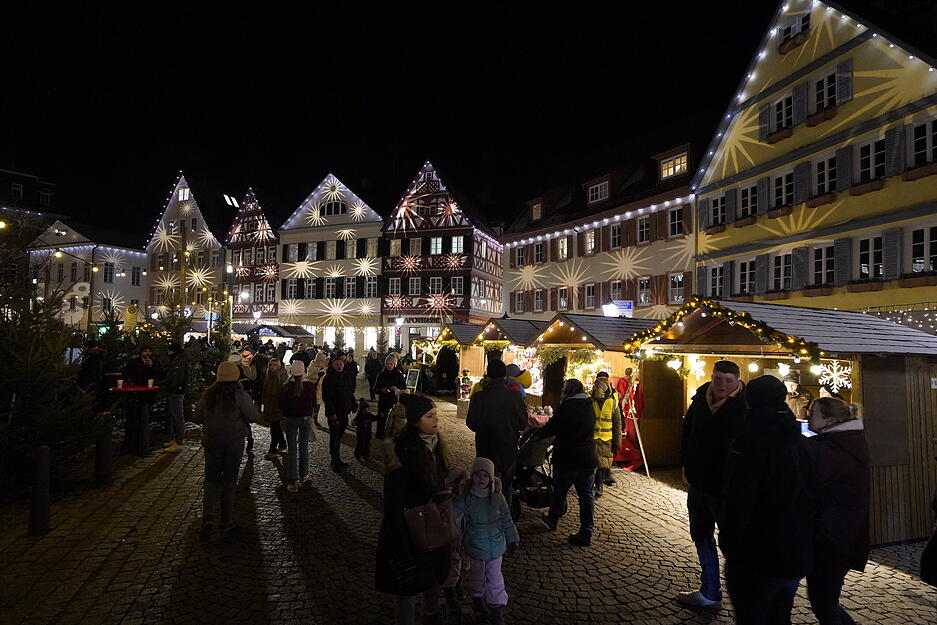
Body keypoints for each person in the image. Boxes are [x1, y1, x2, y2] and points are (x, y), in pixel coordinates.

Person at [721, 375, 817, 624]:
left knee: (752, 616)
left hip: (756, 552)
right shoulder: (801, 442)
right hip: (794, 548)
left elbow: (739, 499)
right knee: (780, 616)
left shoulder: (748, 442)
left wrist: (730, 544)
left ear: (749, 401)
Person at [375, 395, 452, 625]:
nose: (436, 419)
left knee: (432, 575)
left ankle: (431, 614)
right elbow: (393, 499)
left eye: (435, 414)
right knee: (407, 584)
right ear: (415, 421)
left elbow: (436, 481)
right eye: (430, 416)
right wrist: (399, 541)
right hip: (408, 526)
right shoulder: (400, 450)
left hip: (433, 522)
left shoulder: (436, 444)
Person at [676, 360, 747, 608]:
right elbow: (687, 431)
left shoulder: (745, 406)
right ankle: (710, 591)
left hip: (727, 489)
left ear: (737, 381)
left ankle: (744, 596)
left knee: (732, 542)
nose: (722, 385)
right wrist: (685, 463)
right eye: (718, 378)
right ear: (712, 377)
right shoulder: (699, 399)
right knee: (702, 536)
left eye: (728, 380)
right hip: (699, 483)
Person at [805, 398, 870, 625]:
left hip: (831, 538)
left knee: (824, 604)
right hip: (844, 535)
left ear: (830, 420)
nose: (807, 414)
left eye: (813, 412)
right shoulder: (850, 442)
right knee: (825, 602)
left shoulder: (830, 449)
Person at [453, 457, 519, 625]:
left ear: (491, 478)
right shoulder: (467, 499)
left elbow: (506, 519)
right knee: (477, 576)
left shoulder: (498, 498)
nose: (481, 479)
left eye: (485, 475)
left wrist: (512, 539)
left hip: (496, 548)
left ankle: (497, 610)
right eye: (477, 475)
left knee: (495, 578)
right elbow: (455, 516)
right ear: (472, 477)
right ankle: (477, 601)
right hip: (476, 547)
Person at [197, 361, 257, 541]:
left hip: (212, 441)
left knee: (211, 479)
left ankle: (207, 516)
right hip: (233, 441)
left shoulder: (208, 395)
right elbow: (252, 416)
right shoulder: (239, 394)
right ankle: (226, 521)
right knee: (229, 480)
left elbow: (197, 416)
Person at [536, 378, 597, 546]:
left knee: (560, 490)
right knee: (586, 496)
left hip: (568, 457)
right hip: (588, 458)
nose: (562, 392)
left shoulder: (568, 406)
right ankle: (586, 532)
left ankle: (553, 519)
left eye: (564, 389)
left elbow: (552, 427)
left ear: (569, 391)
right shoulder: (588, 405)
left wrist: (540, 434)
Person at [466, 359, 527, 511]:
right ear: (505, 375)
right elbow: (523, 423)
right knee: (505, 487)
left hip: (486, 449)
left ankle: (486, 516)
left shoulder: (479, 397)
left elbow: (471, 423)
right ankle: (504, 515)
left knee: (485, 486)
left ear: (488, 375)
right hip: (509, 450)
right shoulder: (514, 397)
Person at [279, 360, 316, 492]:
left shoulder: (286, 387)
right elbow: (314, 402)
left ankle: (293, 479)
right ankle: (304, 474)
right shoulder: (310, 386)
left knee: (292, 449)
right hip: (305, 419)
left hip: (290, 419)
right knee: (304, 447)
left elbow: (281, 404)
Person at [322, 355, 356, 473]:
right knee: (334, 437)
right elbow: (327, 397)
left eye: (341, 364)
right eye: (336, 364)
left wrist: (353, 404)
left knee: (339, 436)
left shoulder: (346, 376)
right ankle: (335, 461)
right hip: (334, 413)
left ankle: (336, 458)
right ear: (332, 365)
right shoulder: (328, 378)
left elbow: (349, 392)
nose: (339, 366)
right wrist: (331, 413)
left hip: (344, 412)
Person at [590, 378, 621, 498]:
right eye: (596, 387)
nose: (597, 389)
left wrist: (617, 441)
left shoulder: (612, 403)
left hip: (606, 440)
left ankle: (598, 486)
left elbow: (617, 423)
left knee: (601, 465)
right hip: (592, 438)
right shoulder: (591, 401)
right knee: (595, 464)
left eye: (600, 387)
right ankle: (596, 486)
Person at [163, 343, 191, 453]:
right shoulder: (179, 360)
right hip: (176, 390)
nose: (168, 353)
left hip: (176, 391)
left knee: (178, 415)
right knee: (174, 415)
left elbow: (178, 378)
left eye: (169, 351)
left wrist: (172, 387)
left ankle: (179, 441)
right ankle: (176, 439)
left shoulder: (180, 362)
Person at [262, 358, 289, 461]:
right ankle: (282, 443)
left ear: (279, 366)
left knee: (274, 428)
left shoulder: (282, 376)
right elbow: (265, 390)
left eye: (275, 365)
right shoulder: (268, 376)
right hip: (270, 406)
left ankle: (272, 450)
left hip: (278, 407)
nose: (273, 367)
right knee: (276, 426)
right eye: (271, 365)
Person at [375, 354, 406, 439]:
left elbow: (404, 387)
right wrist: (382, 390)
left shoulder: (398, 375)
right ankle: (380, 434)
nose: (389, 366)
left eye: (391, 364)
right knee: (382, 418)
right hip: (383, 401)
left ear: (394, 364)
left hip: (394, 401)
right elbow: (375, 389)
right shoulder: (381, 375)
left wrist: (397, 389)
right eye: (387, 364)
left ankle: (392, 435)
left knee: (393, 420)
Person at [306, 351, 330, 427]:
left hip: (320, 388)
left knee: (317, 404)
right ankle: (309, 419)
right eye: (322, 360)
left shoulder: (323, 365)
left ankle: (315, 419)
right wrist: (318, 375)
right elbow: (309, 377)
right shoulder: (312, 366)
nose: (323, 361)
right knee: (312, 404)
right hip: (313, 387)